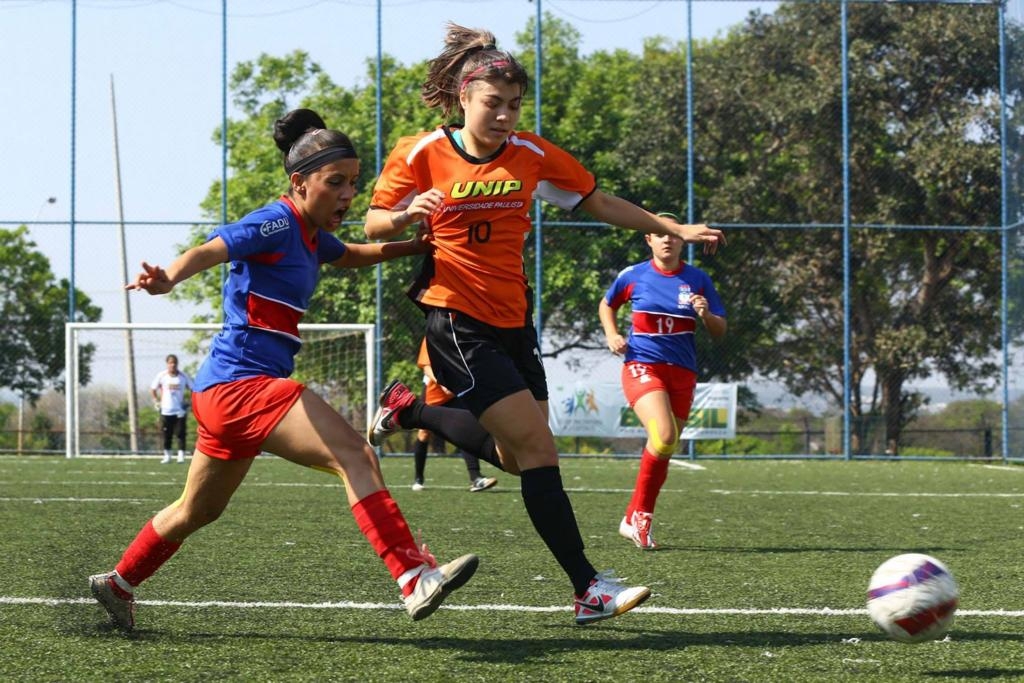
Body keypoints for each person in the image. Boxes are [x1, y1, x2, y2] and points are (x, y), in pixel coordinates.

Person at [363, 22, 725, 625]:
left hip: (514, 321)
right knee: (538, 449)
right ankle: (588, 587)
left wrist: (674, 229)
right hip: (455, 319)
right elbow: (374, 222)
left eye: (513, 105)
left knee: (516, 456)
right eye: (492, 104)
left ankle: (412, 411)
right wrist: (406, 215)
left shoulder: (531, 154)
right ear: (462, 98)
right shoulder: (420, 152)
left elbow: (598, 202)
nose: (504, 115)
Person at [87, 108, 478, 632]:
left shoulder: (315, 236)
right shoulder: (277, 220)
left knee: (195, 511)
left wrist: (413, 241)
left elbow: (353, 254)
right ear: (300, 183)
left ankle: (118, 583)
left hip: (224, 392)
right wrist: (169, 277)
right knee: (356, 454)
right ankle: (413, 576)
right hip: (242, 386)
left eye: (352, 184)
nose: (347, 194)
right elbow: (211, 249)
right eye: (334, 182)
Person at [599, 219, 727, 550]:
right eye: (660, 235)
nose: (667, 241)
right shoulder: (633, 275)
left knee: (665, 446)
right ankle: (642, 519)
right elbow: (607, 304)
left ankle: (631, 518)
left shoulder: (698, 280)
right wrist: (612, 334)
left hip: (682, 372)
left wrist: (706, 315)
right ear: (649, 239)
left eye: (673, 235)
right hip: (642, 365)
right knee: (665, 435)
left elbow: (720, 330)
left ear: (683, 241)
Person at [410, 338, 498, 493]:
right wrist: (443, 383)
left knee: (467, 429)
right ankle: (418, 478)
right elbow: (426, 368)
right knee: (424, 434)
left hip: (456, 393)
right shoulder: (432, 335)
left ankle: (476, 478)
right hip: (435, 392)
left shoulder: (462, 333)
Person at [151, 354, 193, 464]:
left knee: (180, 433)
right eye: (170, 363)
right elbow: (153, 389)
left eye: (174, 363)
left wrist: (189, 402)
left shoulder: (183, 376)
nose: (172, 365)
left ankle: (181, 455)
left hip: (180, 410)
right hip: (166, 410)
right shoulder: (162, 376)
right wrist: (156, 401)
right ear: (167, 364)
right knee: (166, 434)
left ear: (177, 364)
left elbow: (193, 389)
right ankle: (167, 455)